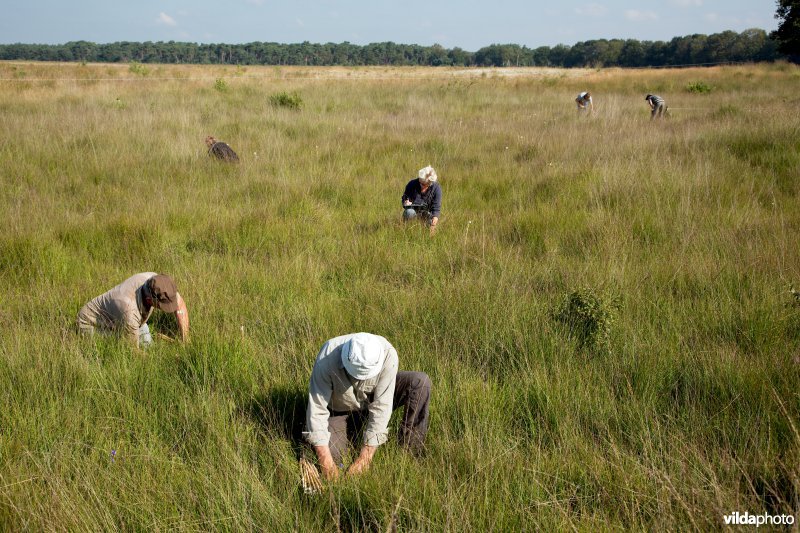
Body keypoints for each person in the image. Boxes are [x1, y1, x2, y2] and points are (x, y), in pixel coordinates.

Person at [303, 332, 431, 480]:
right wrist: (326, 461)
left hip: (370, 401)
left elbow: (382, 406)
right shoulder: (327, 358)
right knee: (335, 460)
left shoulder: (387, 354)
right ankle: (342, 434)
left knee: (420, 383)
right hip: (339, 410)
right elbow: (317, 410)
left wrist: (366, 457)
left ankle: (409, 455)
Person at [77, 272, 189, 348]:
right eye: (164, 305)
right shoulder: (129, 310)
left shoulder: (157, 281)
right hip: (91, 325)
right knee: (125, 346)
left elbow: (180, 305)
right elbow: (133, 350)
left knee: (147, 344)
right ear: (150, 300)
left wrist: (185, 341)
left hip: (122, 317)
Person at [402, 165, 442, 234]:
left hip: (427, 214)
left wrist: (434, 223)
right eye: (420, 182)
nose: (421, 185)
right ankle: (407, 232)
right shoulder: (411, 184)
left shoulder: (436, 188)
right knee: (409, 212)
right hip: (412, 212)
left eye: (423, 184)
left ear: (430, 183)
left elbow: (436, 209)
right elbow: (405, 198)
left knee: (429, 217)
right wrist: (406, 203)